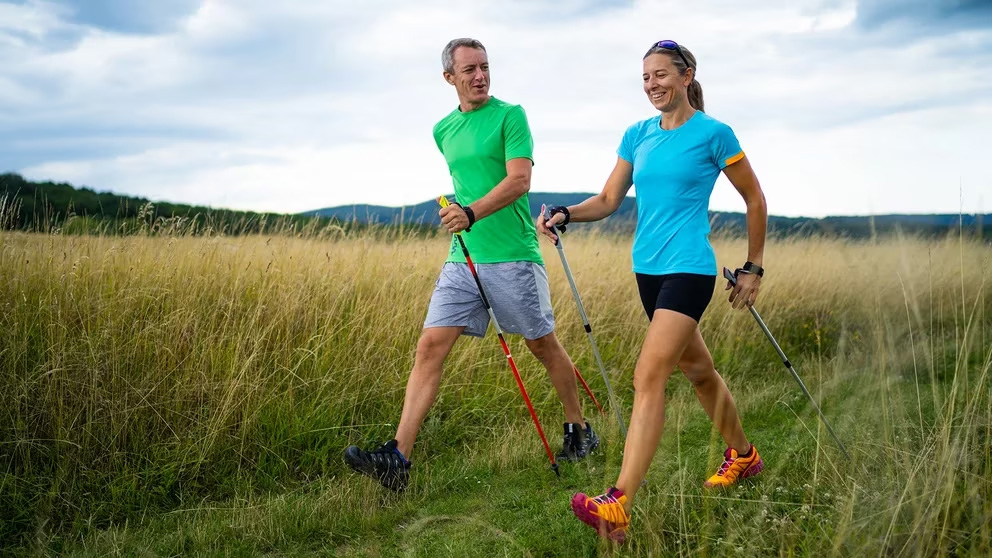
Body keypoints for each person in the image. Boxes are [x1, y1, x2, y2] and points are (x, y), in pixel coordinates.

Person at [344, 38, 600, 492]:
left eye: (485, 67)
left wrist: (472, 212)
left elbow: (520, 181)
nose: (480, 75)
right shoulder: (442, 130)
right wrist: (459, 213)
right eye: (469, 70)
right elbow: (466, 184)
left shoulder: (510, 115)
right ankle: (398, 459)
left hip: (514, 256)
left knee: (542, 347)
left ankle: (579, 432)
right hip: (464, 258)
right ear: (450, 78)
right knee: (429, 347)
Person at [538, 40, 768, 541]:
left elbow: (754, 199)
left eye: (661, 75)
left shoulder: (714, 133)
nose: (652, 85)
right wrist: (565, 213)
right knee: (700, 372)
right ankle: (745, 457)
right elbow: (607, 199)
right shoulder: (637, 135)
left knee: (649, 374)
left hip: (689, 269)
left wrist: (753, 267)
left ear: (687, 77)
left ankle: (618, 502)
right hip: (647, 271)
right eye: (646, 78)